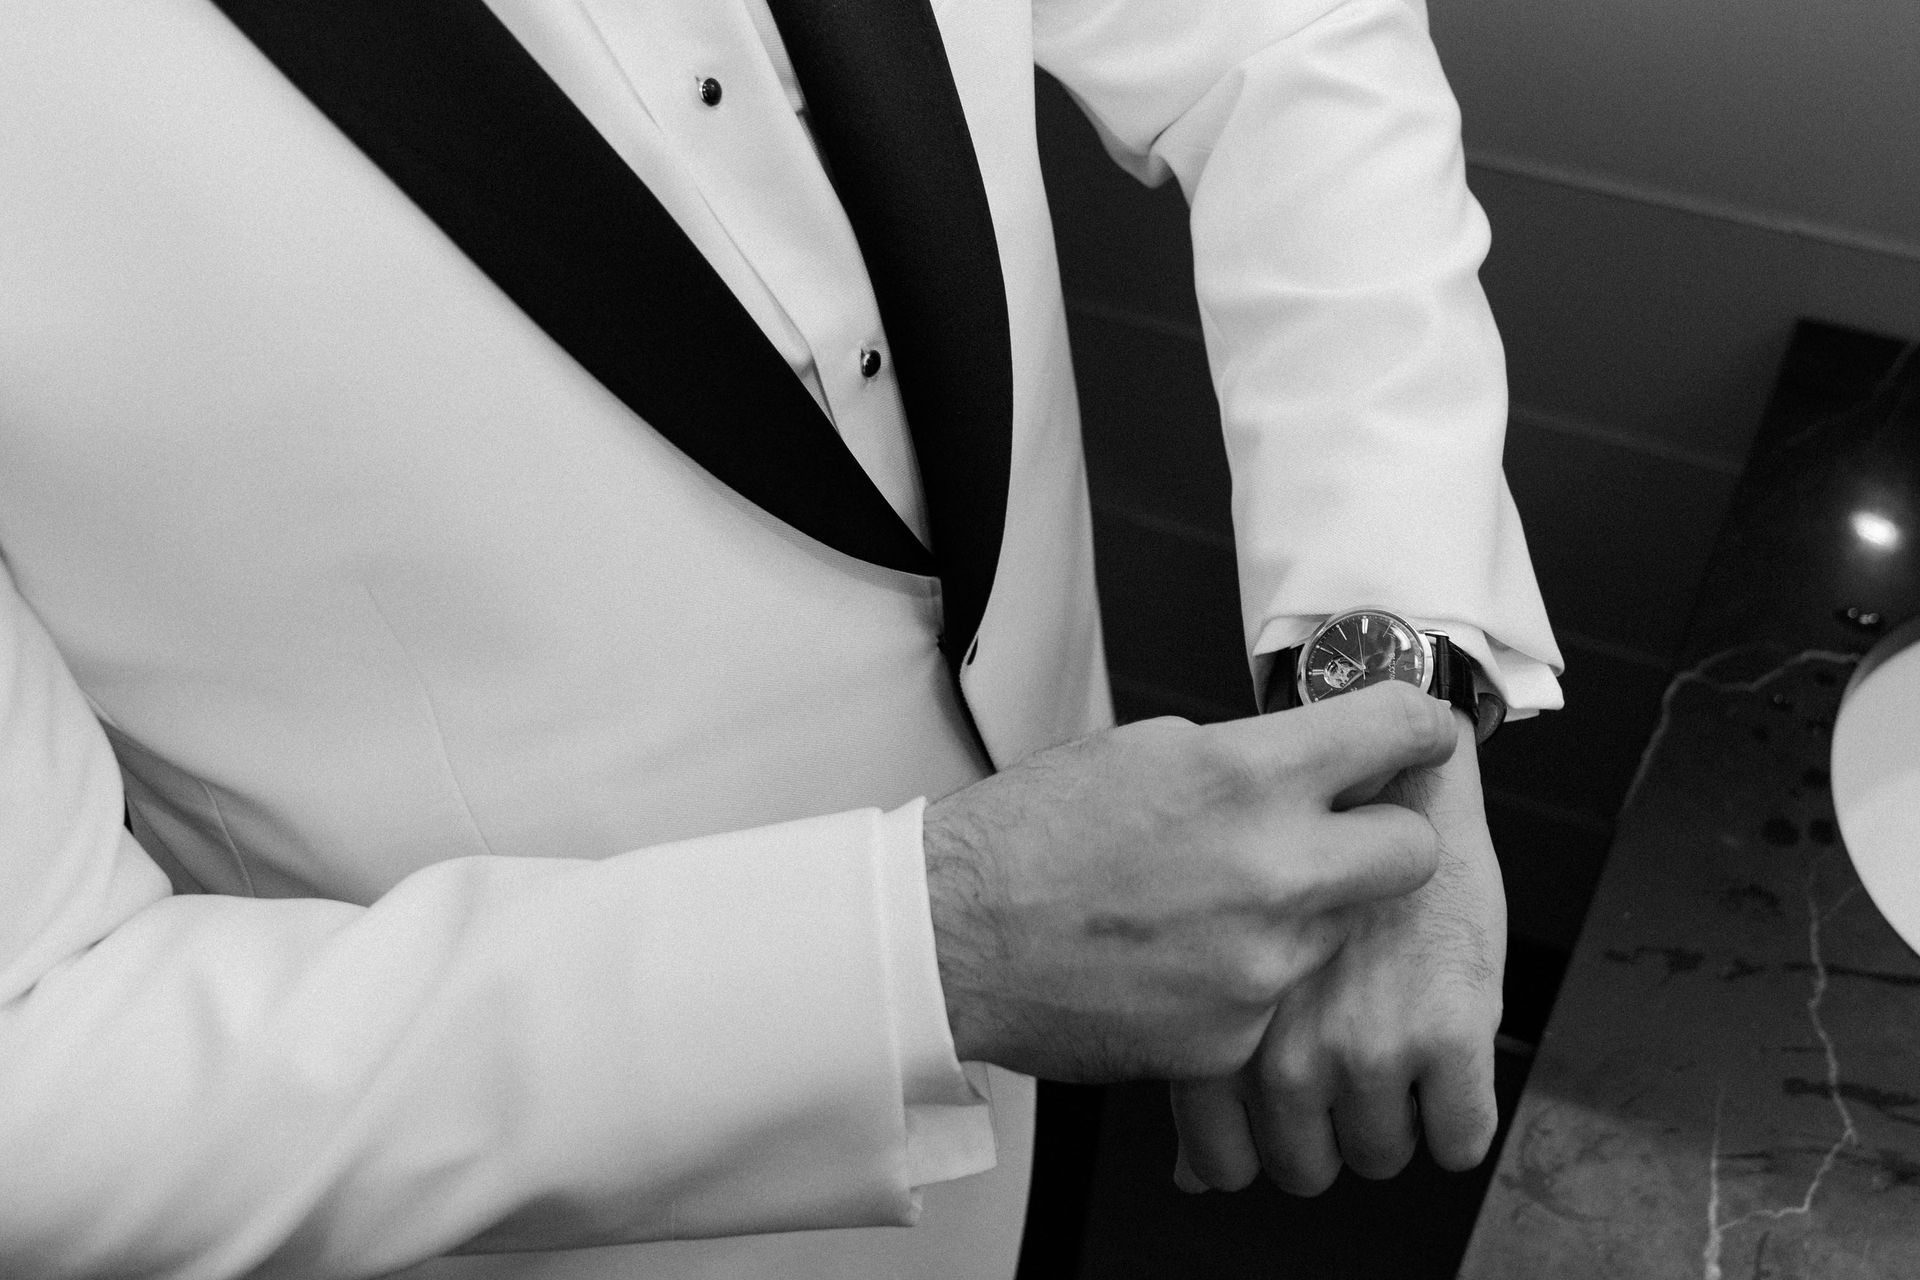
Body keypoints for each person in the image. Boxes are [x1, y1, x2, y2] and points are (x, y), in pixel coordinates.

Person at [0, 0, 1563, 1277]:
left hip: (1103, 997)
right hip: (588, 1225)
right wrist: (933, 948)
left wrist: (1392, 692)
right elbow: (33, 1068)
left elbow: (1278, 34)